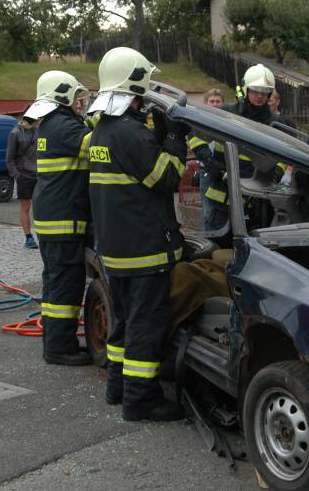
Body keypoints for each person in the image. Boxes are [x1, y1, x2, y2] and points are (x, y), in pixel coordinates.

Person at [89, 46, 188, 422]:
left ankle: (118, 387)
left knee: (125, 322)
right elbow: (166, 177)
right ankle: (141, 400)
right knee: (146, 325)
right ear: (135, 84)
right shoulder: (131, 134)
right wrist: (175, 138)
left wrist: (159, 135)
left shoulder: (103, 131)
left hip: (117, 250)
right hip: (144, 251)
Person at [27, 70, 92, 365]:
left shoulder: (52, 124)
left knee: (55, 284)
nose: (80, 102)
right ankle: (59, 348)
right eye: (76, 96)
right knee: (66, 283)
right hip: (63, 220)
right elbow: (98, 145)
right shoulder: (64, 126)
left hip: (53, 217)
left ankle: (56, 342)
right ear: (63, 95)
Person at [195, 64, 280, 230]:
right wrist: (209, 161)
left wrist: (276, 174)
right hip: (221, 198)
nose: (260, 96)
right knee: (219, 249)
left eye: (264, 92)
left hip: (255, 199)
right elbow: (194, 133)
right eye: (255, 90)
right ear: (246, 89)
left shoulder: (274, 122)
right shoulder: (226, 113)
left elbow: (285, 156)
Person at [189, 89, 224, 230]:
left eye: (218, 101)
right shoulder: (199, 121)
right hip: (207, 173)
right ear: (205, 103)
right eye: (212, 101)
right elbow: (194, 141)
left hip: (224, 173)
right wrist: (209, 162)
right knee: (209, 213)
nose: (215, 105)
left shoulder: (228, 122)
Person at [6, 107, 39, 249]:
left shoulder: (40, 131)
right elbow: (9, 158)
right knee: (26, 206)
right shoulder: (15, 133)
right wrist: (16, 175)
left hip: (39, 174)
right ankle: (29, 237)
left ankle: (42, 235)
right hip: (23, 175)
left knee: (40, 206)